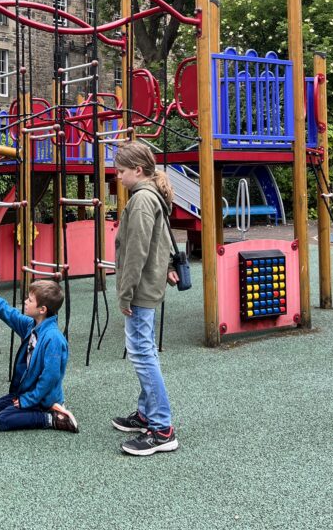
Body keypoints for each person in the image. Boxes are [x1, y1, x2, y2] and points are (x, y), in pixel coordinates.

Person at [110, 141, 180, 456]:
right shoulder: (154, 196)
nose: (118, 178)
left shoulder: (141, 200)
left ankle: (162, 428)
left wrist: (125, 293)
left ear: (138, 170)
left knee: (141, 354)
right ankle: (146, 413)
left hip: (139, 290)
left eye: (121, 172)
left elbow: (136, 250)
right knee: (145, 348)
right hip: (149, 285)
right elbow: (161, 239)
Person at [0, 275, 79, 433]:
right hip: (27, 391)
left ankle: (52, 418)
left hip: (42, 398)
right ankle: (38, 409)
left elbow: (49, 378)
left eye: (30, 300)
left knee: (2, 420)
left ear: (42, 310)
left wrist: (27, 400)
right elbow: (9, 313)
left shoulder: (53, 339)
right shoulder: (31, 325)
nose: (25, 301)